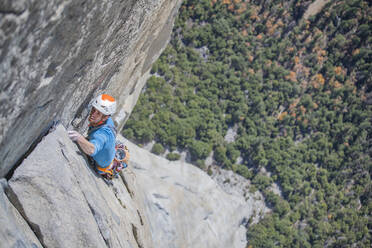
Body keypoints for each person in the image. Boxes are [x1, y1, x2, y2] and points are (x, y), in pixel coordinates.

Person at [68, 94, 118, 178]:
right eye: (93, 110)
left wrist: (79, 137)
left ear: (105, 117)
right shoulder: (106, 120)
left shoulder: (103, 134)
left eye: (98, 113)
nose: (93, 114)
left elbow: (92, 150)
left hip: (101, 166)